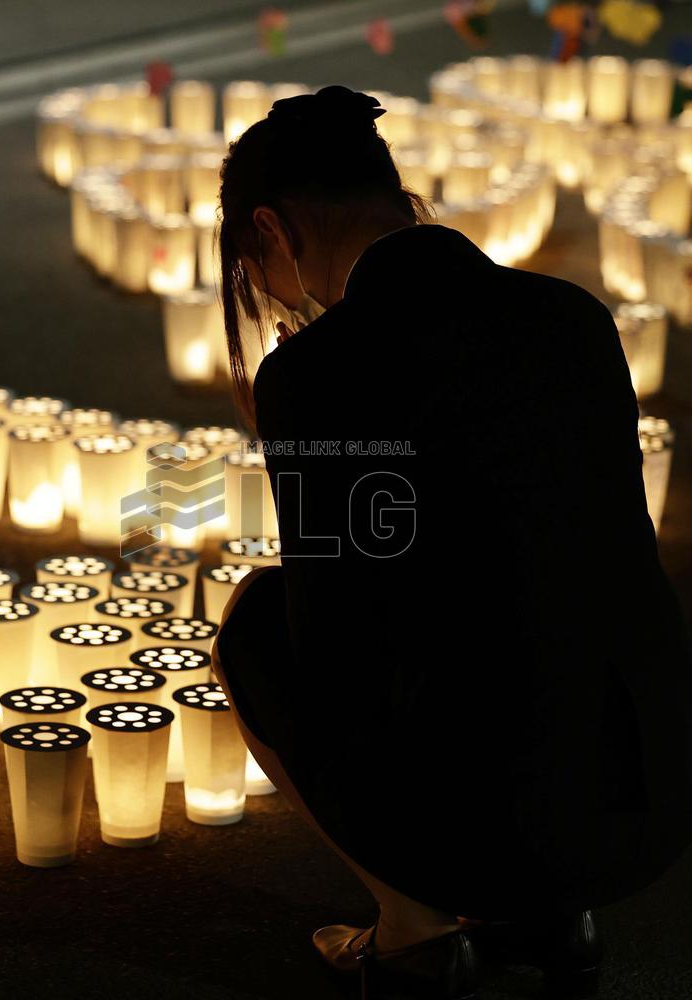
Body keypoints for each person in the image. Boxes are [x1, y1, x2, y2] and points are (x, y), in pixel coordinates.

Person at [210, 85, 692, 1000]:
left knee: (258, 620)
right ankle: (550, 922)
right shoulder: (570, 316)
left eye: (251, 264)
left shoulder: (316, 373)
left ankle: (413, 928)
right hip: (647, 794)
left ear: (270, 230)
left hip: (487, 825)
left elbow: (332, 634)